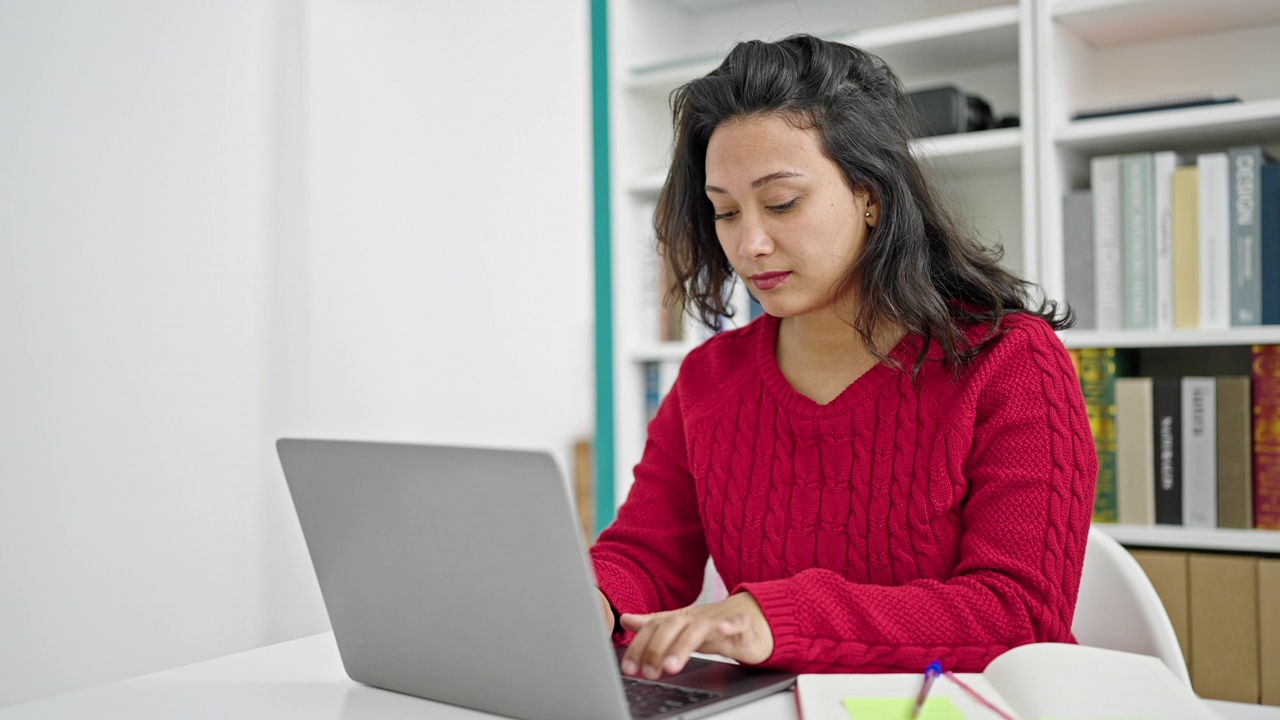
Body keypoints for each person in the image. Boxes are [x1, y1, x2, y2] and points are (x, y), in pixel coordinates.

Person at [588, 34, 1096, 680]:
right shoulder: (708, 381)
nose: (750, 244)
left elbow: (1017, 615)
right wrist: (594, 600)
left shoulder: (1012, 364)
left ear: (871, 195)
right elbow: (644, 556)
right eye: (724, 212)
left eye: (781, 203)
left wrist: (776, 618)